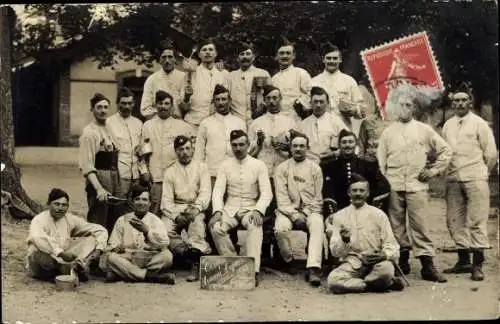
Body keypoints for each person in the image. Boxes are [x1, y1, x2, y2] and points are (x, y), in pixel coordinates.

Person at [377, 94, 452, 283]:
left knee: (420, 226)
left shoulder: (424, 130)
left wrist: (433, 171)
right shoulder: (388, 132)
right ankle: (402, 262)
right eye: (401, 105)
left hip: (416, 184)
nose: (404, 108)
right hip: (394, 184)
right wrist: (385, 182)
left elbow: (446, 150)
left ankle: (427, 266)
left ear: (414, 109)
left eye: (408, 105)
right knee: (396, 226)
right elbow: (381, 160)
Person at [441, 88, 498, 281]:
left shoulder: (479, 124)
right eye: (456, 101)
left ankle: (477, 264)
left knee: (477, 220)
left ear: (470, 102)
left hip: (475, 177)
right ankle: (463, 260)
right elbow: (445, 151)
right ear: (452, 104)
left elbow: (490, 153)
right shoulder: (448, 125)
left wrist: (483, 173)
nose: (460, 104)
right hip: (453, 178)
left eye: (464, 100)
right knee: (454, 220)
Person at [210, 130, 273, 286]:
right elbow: (218, 190)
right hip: (230, 208)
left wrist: (258, 210)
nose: (238, 149)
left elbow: (267, 192)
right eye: (234, 145)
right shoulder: (225, 165)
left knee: (254, 225)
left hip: (250, 207)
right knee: (215, 227)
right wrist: (217, 211)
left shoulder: (258, 165)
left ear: (248, 144)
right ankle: (234, 265)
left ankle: (253, 270)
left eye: (241, 145)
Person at [325, 174, 404, 294]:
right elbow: (335, 252)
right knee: (333, 281)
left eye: (362, 190)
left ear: (367, 193)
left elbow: (392, 244)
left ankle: (358, 283)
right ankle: (378, 285)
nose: (358, 194)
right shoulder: (340, 216)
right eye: (354, 190)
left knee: (386, 271)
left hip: (376, 262)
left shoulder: (379, 215)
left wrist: (384, 255)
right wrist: (344, 241)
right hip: (353, 263)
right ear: (349, 193)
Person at [248, 85, 296, 259]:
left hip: (283, 173)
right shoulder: (256, 123)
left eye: (275, 98)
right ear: (264, 100)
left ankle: (279, 251)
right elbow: (249, 153)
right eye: (268, 98)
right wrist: (259, 143)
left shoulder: (289, 122)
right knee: (265, 211)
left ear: (281, 99)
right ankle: (263, 250)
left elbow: (297, 149)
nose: (272, 101)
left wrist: (286, 146)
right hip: (264, 172)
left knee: (281, 210)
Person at [273, 132, 324, 286]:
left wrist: (306, 213)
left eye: (302, 146)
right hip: (287, 211)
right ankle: (288, 260)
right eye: (295, 146)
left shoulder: (315, 168)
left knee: (317, 225)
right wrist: (294, 215)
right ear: (290, 148)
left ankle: (313, 267)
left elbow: (318, 197)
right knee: (280, 228)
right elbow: (281, 199)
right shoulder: (282, 168)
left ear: (307, 148)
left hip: (310, 210)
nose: (298, 149)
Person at [26, 188, 108, 282]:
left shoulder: (70, 219)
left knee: (91, 239)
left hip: (64, 259)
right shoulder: (39, 219)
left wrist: (98, 250)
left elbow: (99, 230)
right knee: (35, 249)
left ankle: (72, 268)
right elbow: (38, 238)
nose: (60, 208)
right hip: (44, 261)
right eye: (56, 204)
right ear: (48, 204)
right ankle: (65, 270)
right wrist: (61, 253)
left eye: (64, 205)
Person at [160, 135, 212, 282]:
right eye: (181, 149)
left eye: (188, 148)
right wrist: (176, 216)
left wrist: (196, 209)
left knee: (197, 225)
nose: (185, 152)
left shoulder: (202, 167)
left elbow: (205, 192)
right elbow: (166, 200)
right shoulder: (170, 171)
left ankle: (195, 263)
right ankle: (187, 254)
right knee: (163, 229)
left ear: (193, 149)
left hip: (195, 207)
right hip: (176, 207)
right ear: (176, 151)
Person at [100, 185, 176, 284]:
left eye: (144, 200)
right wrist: (117, 248)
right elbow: (112, 244)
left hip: (149, 258)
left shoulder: (155, 220)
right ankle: (151, 277)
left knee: (167, 256)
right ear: (132, 202)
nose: (141, 203)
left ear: (149, 203)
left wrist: (147, 231)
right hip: (129, 258)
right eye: (137, 199)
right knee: (110, 258)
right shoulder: (122, 219)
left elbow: (164, 243)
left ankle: (124, 274)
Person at [141, 90, 196, 215]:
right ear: (155, 105)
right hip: (156, 178)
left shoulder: (182, 126)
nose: (163, 107)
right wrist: (144, 171)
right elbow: (143, 154)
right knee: (154, 211)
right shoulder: (148, 126)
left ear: (171, 106)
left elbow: (192, 150)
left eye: (167, 104)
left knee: (175, 213)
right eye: (160, 103)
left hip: (177, 178)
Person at [79, 93, 121, 233]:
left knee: (112, 217)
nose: (103, 110)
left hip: (114, 177)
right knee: (98, 218)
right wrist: (98, 188)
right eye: (99, 107)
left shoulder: (108, 128)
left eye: (105, 107)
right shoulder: (89, 133)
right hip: (100, 177)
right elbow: (86, 164)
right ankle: (94, 249)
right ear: (92, 109)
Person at [322, 129, 390, 214]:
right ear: (339, 145)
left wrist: (374, 209)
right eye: (344, 142)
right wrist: (332, 212)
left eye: (351, 142)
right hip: (340, 210)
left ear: (356, 144)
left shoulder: (368, 164)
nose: (347, 145)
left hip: (364, 210)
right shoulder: (330, 166)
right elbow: (327, 190)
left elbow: (383, 186)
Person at [194, 84, 247, 187]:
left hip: (235, 173)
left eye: (224, 99)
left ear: (230, 101)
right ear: (213, 102)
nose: (221, 102)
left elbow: (245, 149)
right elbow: (199, 153)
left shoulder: (239, 122)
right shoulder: (205, 123)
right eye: (217, 100)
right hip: (212, 174)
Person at [180, 38, 230, 128]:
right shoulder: (190, 74)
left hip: (217, 123)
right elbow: (184, 107)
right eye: (204, 50)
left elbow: (229, 100)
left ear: (216, 53)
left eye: (211, 49)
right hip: (193, 122)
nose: (207, 52)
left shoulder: (224, 74)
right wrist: (187, 97)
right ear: (199, 54)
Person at [106, 87, 147, 198]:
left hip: (135, 175)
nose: (127, 107)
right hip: (119, 176)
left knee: (134, 206)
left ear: (134, 103)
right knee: (118, 205)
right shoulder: (109, 123)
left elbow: (141, 151)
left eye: (129, 103)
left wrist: (143, 171)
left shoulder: (138, 123)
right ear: (117, 103)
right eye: (123, 103)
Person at [311, 43, 363, 119]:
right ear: (323, 59)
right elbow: (307, 107)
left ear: (340, 60)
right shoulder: (314, 82)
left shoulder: (349, 81)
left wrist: (355, 110)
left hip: (343, 127)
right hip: (321, 127)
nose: (332, 61)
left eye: (335, 58)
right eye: (328, 58)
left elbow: (360, 107)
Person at [298, 86, 347, 165]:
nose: (318, 105)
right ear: (310, 103)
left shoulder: (336, 122)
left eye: (321, 102)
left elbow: (350, 144)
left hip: (332, 164)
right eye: (315, 101)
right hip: (308, 165)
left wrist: (334, 153)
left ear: (327, 103)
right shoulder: (303, 125)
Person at [140, 40, 185, 120]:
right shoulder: (152, 79)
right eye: (164, 57)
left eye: (170, 57)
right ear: (159, 60)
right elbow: (145, 108)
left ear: (175, 59)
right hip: (157, 122)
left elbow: (187, 107)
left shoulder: (183, 77)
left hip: (178, 123)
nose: (167, 61)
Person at [271, 37, 312, 122]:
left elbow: (311, 93)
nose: (285, 56)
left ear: (293, 56)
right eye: (281, 53)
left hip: (296, 119)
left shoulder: (301, 73)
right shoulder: (274, 78)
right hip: (279, 119)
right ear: (277, 56)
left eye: (288, 53)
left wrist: (299, 104)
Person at [229, 41, 271, 123]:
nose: (245, 57)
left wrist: (261, 108)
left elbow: (270, 94)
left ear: (253, 57)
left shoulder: (262, 73)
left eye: (248, 54)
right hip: (236, 118)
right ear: (237, 58)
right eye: (242, 54)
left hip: (259, 118)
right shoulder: (230, 76)